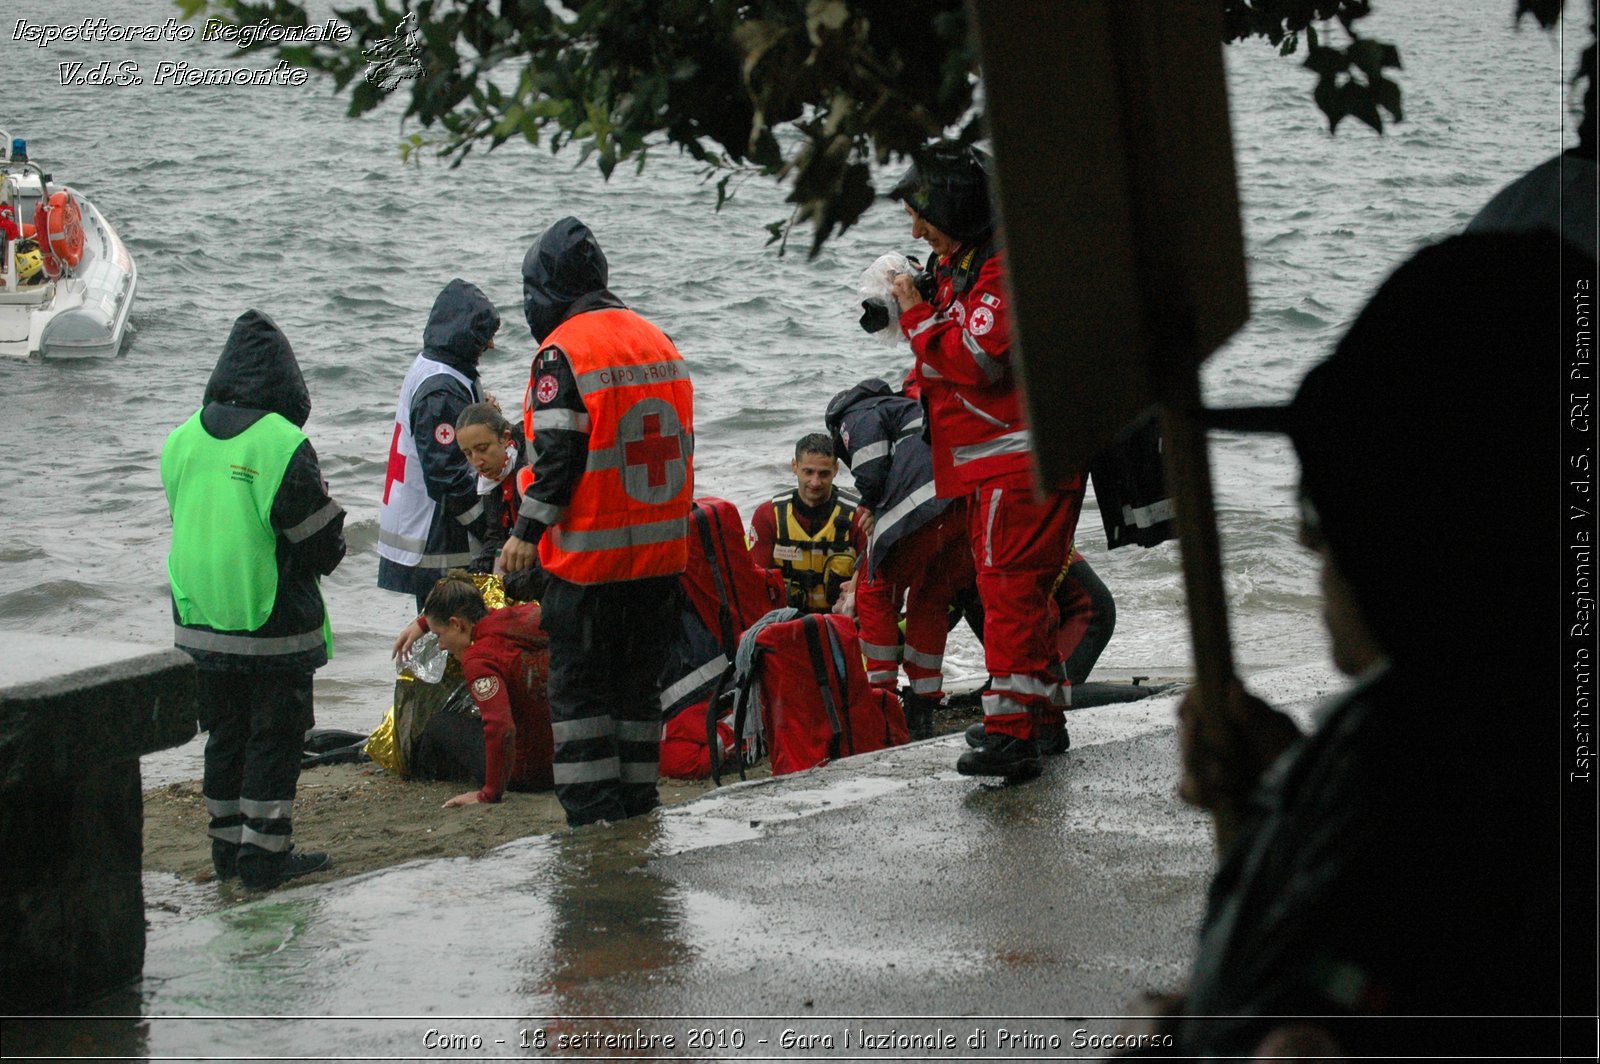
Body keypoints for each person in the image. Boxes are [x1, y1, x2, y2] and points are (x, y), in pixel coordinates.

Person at [1133, 233, 1574, 1057]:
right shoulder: (1441, 738)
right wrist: (1291, 799)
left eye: (1330, 503)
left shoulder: (1483, 787)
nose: (1312, 545)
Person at [888, 142, 1083, 779]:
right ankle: (1040, 719)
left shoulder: (1003, 269)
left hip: (1016, 463)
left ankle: (1009, 732)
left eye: (924, 215)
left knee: (1006, 590)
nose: (916, 229)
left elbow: (976, 359)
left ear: (958, 209)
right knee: (1020, 589)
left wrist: (917, 315)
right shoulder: (976, 260)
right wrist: (926, 296)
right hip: (1010, 460)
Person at [498, 216, 694, 827]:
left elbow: (557, 459)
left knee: (580, 698)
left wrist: (523, 535)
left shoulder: (564, 352)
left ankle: (593, 823)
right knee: (638, 693)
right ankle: (639, 809)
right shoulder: (657, 339)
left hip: (589, 567)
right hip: (660, 561)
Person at [160, 309, 346, 890]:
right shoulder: (282, 442)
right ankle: (265, 858)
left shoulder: (181, 437)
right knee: (275, 737)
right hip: (272, 626)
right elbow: (320, 544)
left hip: (197, 619)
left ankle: (225, 851)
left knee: (224, 735)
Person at [824, 377, 970, 738]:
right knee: (930, 595)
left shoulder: (854, 413)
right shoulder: (904, 408)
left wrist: (870, 502)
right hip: (964, 501)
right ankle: (922, 705)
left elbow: (871, 466)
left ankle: (881, 699)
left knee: (877, 594)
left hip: (922, 502)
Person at [377, 278, 502, 608]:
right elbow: (448, 479)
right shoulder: (442, 391)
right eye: (484, 335)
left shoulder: (435, 367)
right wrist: (494, 530)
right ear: (464, 334)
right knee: (448, 639)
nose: (490, 344)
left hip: (422, 527)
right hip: (432, 537)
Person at [391, 573, 554, 807]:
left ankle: (421, 780)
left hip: (527, 774)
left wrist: (488, 794)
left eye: (439, 635)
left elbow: (502, 727)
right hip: (565, 758)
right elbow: (478, 584)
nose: (440, 645)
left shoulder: (478, 659)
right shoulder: (524, 615)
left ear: (457, 624)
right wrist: (424, 623)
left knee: (439, 725)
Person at [747, 433, 868, 613]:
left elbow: (875, 583)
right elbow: (755, 587)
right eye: (808, 472)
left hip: (842, 622)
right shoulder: (768, 516)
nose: (815, 482)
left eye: (824, 473)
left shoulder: (858, 516)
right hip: (784, 623)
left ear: (836, 469)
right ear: (795, 466)